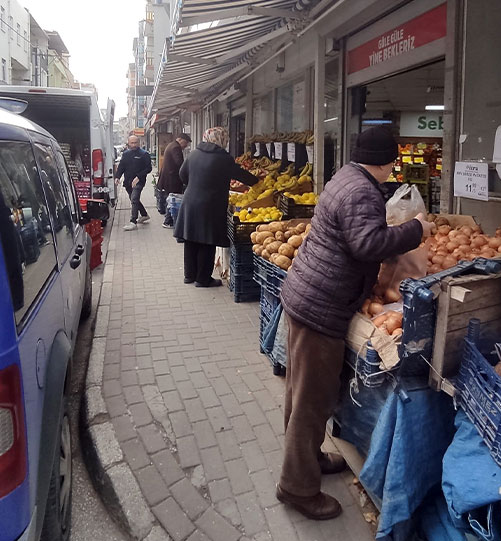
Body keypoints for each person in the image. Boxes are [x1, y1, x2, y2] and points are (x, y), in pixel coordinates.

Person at [276, 126, 435, 520]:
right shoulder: (363, 190)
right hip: (321, 304)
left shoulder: (345, 177)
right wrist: (416, 230)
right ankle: (297, 487)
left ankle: (306, 458)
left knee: (300, 390)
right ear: (386, 161)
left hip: (306, 294)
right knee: (313, 400)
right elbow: (367, 243)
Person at [174, 127, 259, 287]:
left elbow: (182, 174)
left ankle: (189, 275)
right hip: (210, 203)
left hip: (191, 200)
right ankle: (203, 279)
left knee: (191, 237)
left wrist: (194, 184)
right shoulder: (223, 158)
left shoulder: (193, 153)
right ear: (222, 140)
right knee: (207, 239)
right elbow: (240, 174)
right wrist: (257, 181)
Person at [115, 135, 152, 231]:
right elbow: (121, 166)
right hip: (128, 182)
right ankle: (144, 215)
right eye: (132, 143)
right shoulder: (126, 154)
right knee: (134, 199)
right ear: (128, 143)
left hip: (139, 181)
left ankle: (133, 222)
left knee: (134, 198)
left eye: (136, 142)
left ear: (139, 143)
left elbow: (149, 168)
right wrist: (117, 177)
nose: (134, 145)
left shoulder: (144, 154)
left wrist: (139, 177)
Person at [157, 133, 192, 228]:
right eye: (186, 143)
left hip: (168, 178)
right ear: (180, 140)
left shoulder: (171, 145)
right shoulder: (176, 148)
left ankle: (168, 220)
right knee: (173, 199)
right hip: (172, 179)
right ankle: (168, 221)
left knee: (171, 198)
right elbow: (180, 164)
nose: (186, 146)